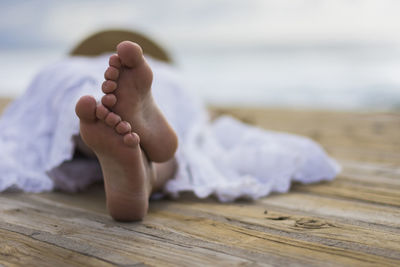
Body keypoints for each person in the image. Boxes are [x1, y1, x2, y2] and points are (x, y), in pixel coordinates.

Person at [0, 30, 340, 221]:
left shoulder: (68, 64)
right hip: (171, 85)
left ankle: (102, 141)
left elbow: (20, 118)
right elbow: (206, 121)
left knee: (67, 113)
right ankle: (148, 174)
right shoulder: (168, 71)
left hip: (61, 82)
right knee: (190, 138)